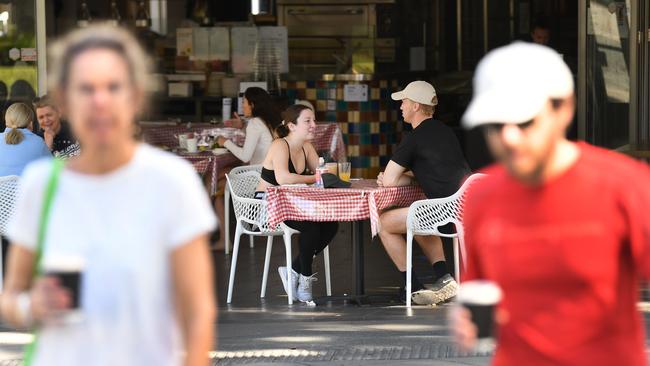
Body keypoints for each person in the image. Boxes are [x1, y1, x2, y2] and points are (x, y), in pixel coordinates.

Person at [0, 25, 217, 365]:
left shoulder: (171, 181)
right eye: (85, 88)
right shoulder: (42, 184)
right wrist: (31, 305)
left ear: (136, 96)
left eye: (113, 87)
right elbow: (11, 297)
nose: (100, 101)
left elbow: (198, 309)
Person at [452, 42, 650, 366]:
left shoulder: (623, 185)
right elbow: (480, 290)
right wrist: (468, 321)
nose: (510, 138)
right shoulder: (481, 196)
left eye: (525, 122)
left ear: (564, 109)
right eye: (496, 125)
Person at [377, 80, 470, 305]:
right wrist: (408, 176)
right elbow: (431, 169)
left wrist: (393, 178)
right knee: (417, 212)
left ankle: (412, 286)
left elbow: (388, 180)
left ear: (416, 106)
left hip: (444, 211)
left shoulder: (414, 138)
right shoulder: (446, 131)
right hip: (464, 208)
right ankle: (444, 278)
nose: (400, 107)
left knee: (383, 222)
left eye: (404, 102)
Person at [255, 104, 338, 303]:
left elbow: (324, 173)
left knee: (331, 224)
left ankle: (293, 269)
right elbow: (283, 178)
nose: (314, 125)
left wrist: (323, 172)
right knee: (310, 227)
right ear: (292, 126)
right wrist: (317, 177)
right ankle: (305, 281)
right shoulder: (279, 145)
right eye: (308, 121)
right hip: (266, 206)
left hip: (292, 204)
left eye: (314, 120)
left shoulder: (306, 146)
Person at [217, 87, 280, 164]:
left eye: (243, 102)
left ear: (252, 105)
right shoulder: (270, 120)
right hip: (273, 171)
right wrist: (242, 126)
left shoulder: (255, 123)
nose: (242, 106)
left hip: (259, 172)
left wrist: (225, 142)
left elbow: (245, 157)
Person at [0, 102, 51, 176]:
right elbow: (50, 169)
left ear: (6, 122)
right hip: (28, 187)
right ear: (30, 124)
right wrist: (48, 146)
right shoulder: (38, 142)